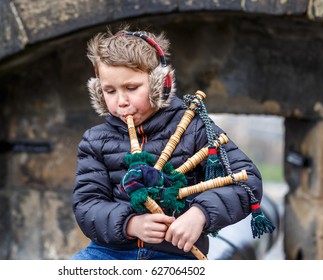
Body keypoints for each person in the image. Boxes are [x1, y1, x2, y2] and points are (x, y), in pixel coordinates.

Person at [71, 25, 265, 260]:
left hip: (177, 255)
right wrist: (130, 224)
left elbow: (247, 180)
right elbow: (87, 204)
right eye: (109, 91)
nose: (121, 101)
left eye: (131, 88)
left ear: (159, 85)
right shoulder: (95, 140)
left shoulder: (194, 127)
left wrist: (200, 213)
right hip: (108, 252)